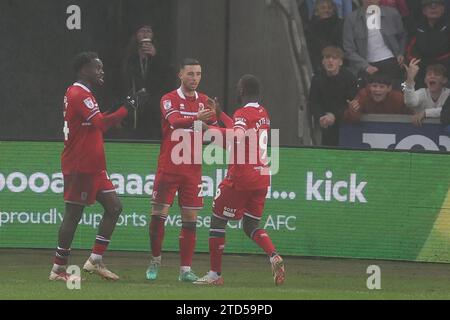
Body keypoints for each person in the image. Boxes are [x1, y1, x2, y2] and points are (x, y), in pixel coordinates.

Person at [49, 52, 142, 281]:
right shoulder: (79, 92)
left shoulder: (83, 93)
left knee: (114, 207)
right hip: (80, 165)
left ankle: (95, 261)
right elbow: (100, 123)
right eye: (96, 67)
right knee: (74, 214)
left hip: (95, 166)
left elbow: (95, 121)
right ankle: (59, 269)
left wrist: (122, 107)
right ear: (84, 70)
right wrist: (126, 109)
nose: (101, 71)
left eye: (101, 67)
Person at [193, 75, 285, 286]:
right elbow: (242, 130)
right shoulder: (263, 113)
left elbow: (237, 135)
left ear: (242, 90)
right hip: (262, 176)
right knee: (250, 224)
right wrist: (219, 114)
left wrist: (208, 128)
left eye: (237, 87)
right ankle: (273, 255)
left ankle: (215, 275)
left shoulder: (242, 113)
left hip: (242, 176)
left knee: (217, 219)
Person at [145, 58, 231, 282]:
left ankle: (185, 270)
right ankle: (155, 260)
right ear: (180, 75)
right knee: (157, 217)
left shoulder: (204, 102)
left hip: (192, 170)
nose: (195, 78)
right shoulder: (168, 99)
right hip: (169, 168)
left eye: (199, 74)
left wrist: (218, 116)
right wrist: (197, 118)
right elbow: (174, 121)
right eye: (190, 74)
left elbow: (221, 131)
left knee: (190, 220)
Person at [121, 23, 173, 140]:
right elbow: (124, 80)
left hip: (154, 107)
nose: (145, 34)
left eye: (148, 31)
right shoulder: (130, 57)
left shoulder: (161, 55)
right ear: (136, 35)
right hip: (135, 108)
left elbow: (167, 78)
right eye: (141, 31)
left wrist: (156, 57)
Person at [343, 0, 407, 87]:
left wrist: (401, 53)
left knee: (394, 93)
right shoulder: (351, 18)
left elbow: (402, 36)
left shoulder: (392, 13)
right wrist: (365, 66)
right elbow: (348, 49)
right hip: (366, 64)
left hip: (391, 60)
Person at [309, 46, 358, 146]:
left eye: (334, 58)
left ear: (340, 62)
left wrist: (335, 115)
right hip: (325, 121)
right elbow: (314, 101)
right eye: (327, 57)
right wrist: (320, 117)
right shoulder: (317, 78)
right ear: (323, 61)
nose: (330, 61)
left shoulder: (349, 78)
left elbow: (351, 102)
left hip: (344, 122)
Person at [406, 0, 450, 88]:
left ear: (443, 9)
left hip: (445, 68)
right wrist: (417, 63)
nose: (433, 8)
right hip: (422, 68)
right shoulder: (417, 27)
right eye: (429, 6)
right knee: (408, 83)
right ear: (424, 11)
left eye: (437, 5)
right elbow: (410, 49)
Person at [343, 72, 412, 122]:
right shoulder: (363, 95)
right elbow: (350, 120)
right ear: (369, 86)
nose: (377, 90)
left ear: (389, 88)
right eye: (374, 86)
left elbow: (411, 115)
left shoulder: (398, 98)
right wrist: (353, 110)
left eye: (382, 87)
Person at [403, 60, 450, 126]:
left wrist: (425, 113)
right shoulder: (422, 92)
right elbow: (409, 102)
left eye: (437, 74)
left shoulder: (448, 94)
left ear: (444, 80)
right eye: (429, 74)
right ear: (425, 80)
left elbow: (447, 111)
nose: (432, 76)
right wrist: (410, 78)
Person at [306, 0, 344, 71]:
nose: (327, 10)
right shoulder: (310, 29)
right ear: (316, 12)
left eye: (329, 8)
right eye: (323, 8)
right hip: (319, 66)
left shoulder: (340, 25)